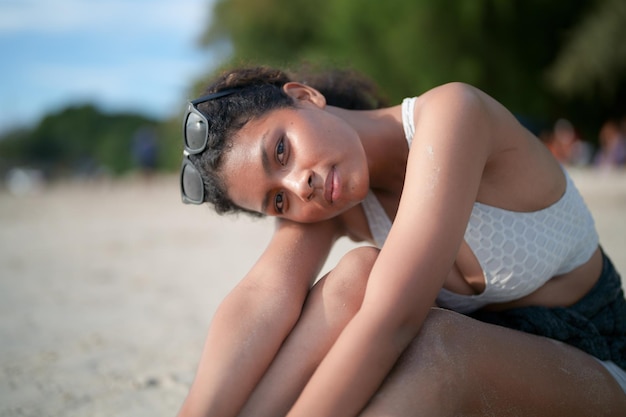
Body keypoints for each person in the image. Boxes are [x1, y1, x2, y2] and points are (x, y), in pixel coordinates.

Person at [176, 65, 626, 416]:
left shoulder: (453, 114)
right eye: (277, 201)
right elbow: (262, 295)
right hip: (477, 379)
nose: (299, 185)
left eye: (281, 151)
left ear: (304, 97)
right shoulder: (327, 197)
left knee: (434, 347)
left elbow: (392, 322)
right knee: (356, 275)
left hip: (592, 365)